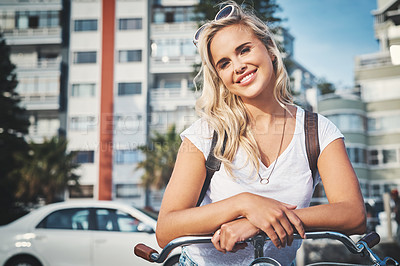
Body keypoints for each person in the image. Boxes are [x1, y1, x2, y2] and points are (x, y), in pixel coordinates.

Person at [156, 2, 366, 265]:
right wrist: (244, 204)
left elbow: (354, 215)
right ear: (219, 77)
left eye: (244, 50)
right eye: (224, 63)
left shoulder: (318, 130)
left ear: (269, 49)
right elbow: (165, 229)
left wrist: (257, 224)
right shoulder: (204, 134)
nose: (238, 66)